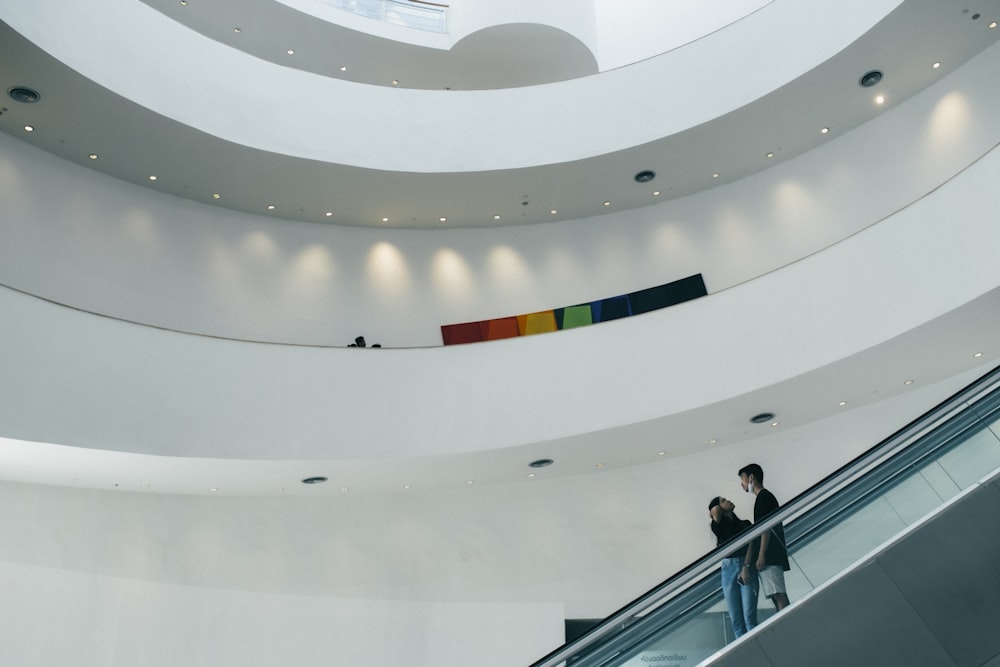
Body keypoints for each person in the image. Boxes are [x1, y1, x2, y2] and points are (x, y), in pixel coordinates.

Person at [738, 463, 790, 612]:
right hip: (771, 555)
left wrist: (761, 554)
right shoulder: (764, 497)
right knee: (775, 594)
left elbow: (765, 528)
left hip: (770, 556)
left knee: (778, 594)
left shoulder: (763, 497)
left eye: (743, 478)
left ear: (751, 477)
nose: (741, 484)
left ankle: (788, 624)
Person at [709, 496, 759, 638]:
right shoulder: (717, 525)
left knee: (749, 618)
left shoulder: (744, 523)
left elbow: (752, 543)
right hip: (728, 568)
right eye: (724, 500)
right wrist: (717, 508)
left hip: (746, 565)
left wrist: (746, 567)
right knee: (736, 622)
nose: (729, 500)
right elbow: (714, 512)